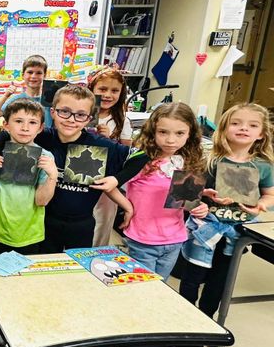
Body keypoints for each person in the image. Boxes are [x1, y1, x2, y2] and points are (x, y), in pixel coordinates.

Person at [179, 103, 274, 317]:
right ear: (223, 128)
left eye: (252, 125)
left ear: (261, 134)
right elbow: (184, 192)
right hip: (205, 228)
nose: (244, 128)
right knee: (192, 277)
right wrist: (197, 204)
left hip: (237, 233)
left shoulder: (264, 166)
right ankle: (184, 317)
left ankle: (207, 318)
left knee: (219, 280)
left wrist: (261, 205)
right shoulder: (207, 158)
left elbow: (270, 195)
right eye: (236, 123)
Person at [99, 103, 208, 279]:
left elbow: (186, 202)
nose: (171, 140)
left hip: (174, 239)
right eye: (163, 132)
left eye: (179, 133)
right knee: (143, 289)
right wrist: (128, 207)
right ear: (153, 132)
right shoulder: (142, 161)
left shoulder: (188, 161)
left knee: (161, 286)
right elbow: (109, 185)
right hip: (143, 239)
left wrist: (200, 206)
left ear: (190, 134)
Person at [33, 84, 131, 252]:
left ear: (89, 118)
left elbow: (141, 156)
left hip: (82, 224)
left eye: (80, 115)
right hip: (44, 219)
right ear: (53, 112)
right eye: (64, 111)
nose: (71, 119)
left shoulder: (99, 144)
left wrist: (117, 180)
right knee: (45, 266)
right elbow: (8, 135)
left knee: (77, 268)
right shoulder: (41, 137)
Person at [0, 99, 58, 256]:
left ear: (40, 128)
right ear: (6, 125)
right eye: (18, 121)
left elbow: (41, 201)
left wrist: (52, 176)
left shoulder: (45, 157)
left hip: (29, 234)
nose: (25, 128)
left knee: (24, 279)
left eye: (32, 122)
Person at [88, 65, 133, 246]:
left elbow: (126, 154)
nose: (108, 95)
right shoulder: (83, 114)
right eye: (102, 89)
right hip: (80, 174)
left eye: (114, 90)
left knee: (102, 219)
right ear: (92, 90)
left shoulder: (122, 120)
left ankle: (96, 253)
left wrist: (108, 140)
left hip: (108, 179)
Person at [0, 54, 48, 123]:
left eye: (39, 73)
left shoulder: (50, 100)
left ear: (44, 76)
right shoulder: (17, 100)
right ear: (23, 75)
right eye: (30, 72)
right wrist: (5, 96)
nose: (33, 76)